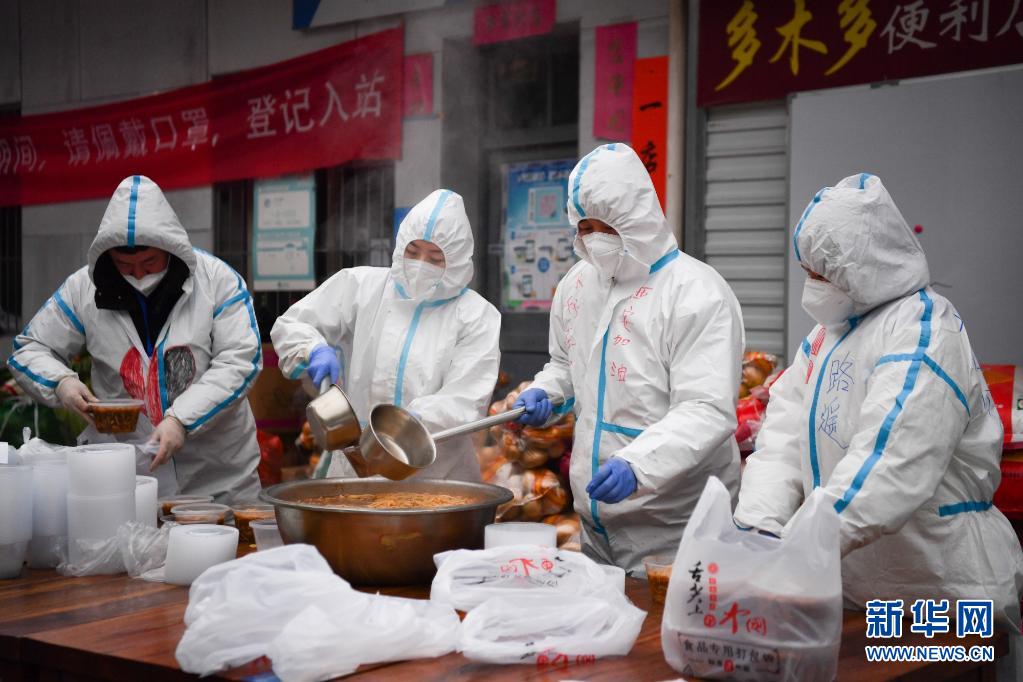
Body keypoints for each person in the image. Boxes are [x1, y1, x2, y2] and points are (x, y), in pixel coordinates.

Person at [734, 173, 1023, 678]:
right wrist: (760, 525)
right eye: (808, 272)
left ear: (861, 267)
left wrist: (801, 546)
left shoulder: (925, 329)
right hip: (856, 589)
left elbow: (890, 459)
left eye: (822, 273)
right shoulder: (826, 337)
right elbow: (782, 439)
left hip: (944, 594)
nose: (812, 286)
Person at [515, 144, 745, 574]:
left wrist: (639, 465)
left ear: (638, 217)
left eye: (607, 225)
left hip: (675, 525)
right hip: (595, 522)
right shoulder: (577, 284)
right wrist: (548, 391)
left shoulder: (696, 293)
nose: (594, 238)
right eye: (585, 227)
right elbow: (565, 364)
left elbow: (706, 409)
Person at [9, 175, 262, 502]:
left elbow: (240, 361)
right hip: (129, 475)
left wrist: (181, 420)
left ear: (170, 248)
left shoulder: (218, 282)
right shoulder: (84, 289)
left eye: (149, 262)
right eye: (125, 265)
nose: (139, 274)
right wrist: (62, 383)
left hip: (218, 476)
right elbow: (29, 349)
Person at [271, 189, 501, 481]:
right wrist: (312, 349)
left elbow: (467, 396)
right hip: (357, 461)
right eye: (413, 252)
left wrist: (413, 420)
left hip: (436, 472)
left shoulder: (476, 315)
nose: (420, 264)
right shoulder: (362, 286)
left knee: (428, 513)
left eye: (434, 258)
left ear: (456, 261)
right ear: (400, 244)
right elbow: (294, 324)